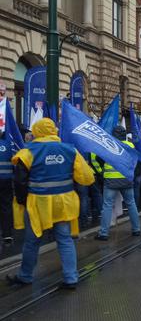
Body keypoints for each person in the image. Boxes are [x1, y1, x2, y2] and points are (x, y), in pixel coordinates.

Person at [6, 118, 94, 289]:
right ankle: (71, 278)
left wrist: (23, 201)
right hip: (64, 203)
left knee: (32, 241)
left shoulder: (28, 151)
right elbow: (86, 177)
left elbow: (19, 181)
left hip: (38, 204)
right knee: (65, 240)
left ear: (37, 131)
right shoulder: (70, 150)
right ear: (54, 130)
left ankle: (25, 276)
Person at [95, 126, 141, 240]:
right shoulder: (130, 145)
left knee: (107, 205)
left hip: (111, 180)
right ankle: (136, 229)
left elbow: (98, 159)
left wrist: (102, 172)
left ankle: (104, 233)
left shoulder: (108, 144)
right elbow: (136, 161)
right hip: (126, 179)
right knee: (131, 203)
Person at [0, 131, 15, 243]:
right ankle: (7, 234)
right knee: (6, 206)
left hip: (6, 179)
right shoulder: (9, 145)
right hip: (7, 180)